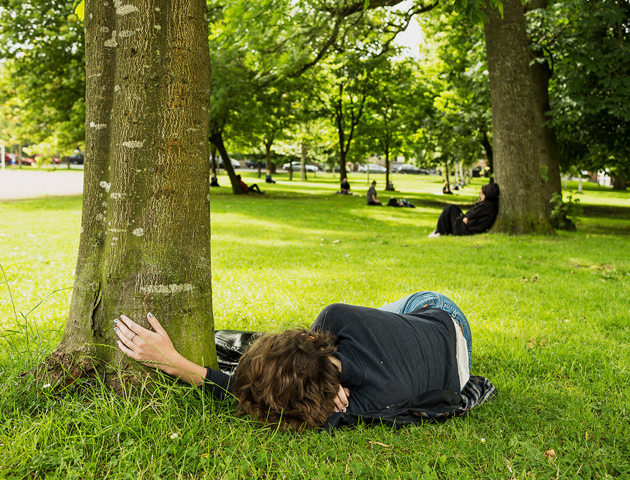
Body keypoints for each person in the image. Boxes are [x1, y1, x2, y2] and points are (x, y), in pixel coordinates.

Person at [113, 291, 474, 431]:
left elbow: (259, 397)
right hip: (445, 330)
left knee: (388, 319)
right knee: (382, 325)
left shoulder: (354, 405)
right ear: (308, 338)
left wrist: (179, 364)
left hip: (436, 314)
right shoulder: (338, 319)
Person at [428, 183, 500, 237]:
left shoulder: (487, 205)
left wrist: (467, 217)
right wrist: (467, 217)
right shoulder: (489, 205)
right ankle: (440, 231)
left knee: (450, 208)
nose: (480, 195)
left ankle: (438, 232)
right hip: (468, 226)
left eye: (482, 194)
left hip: (466, 229)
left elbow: (474, 212)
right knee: (453, 208)